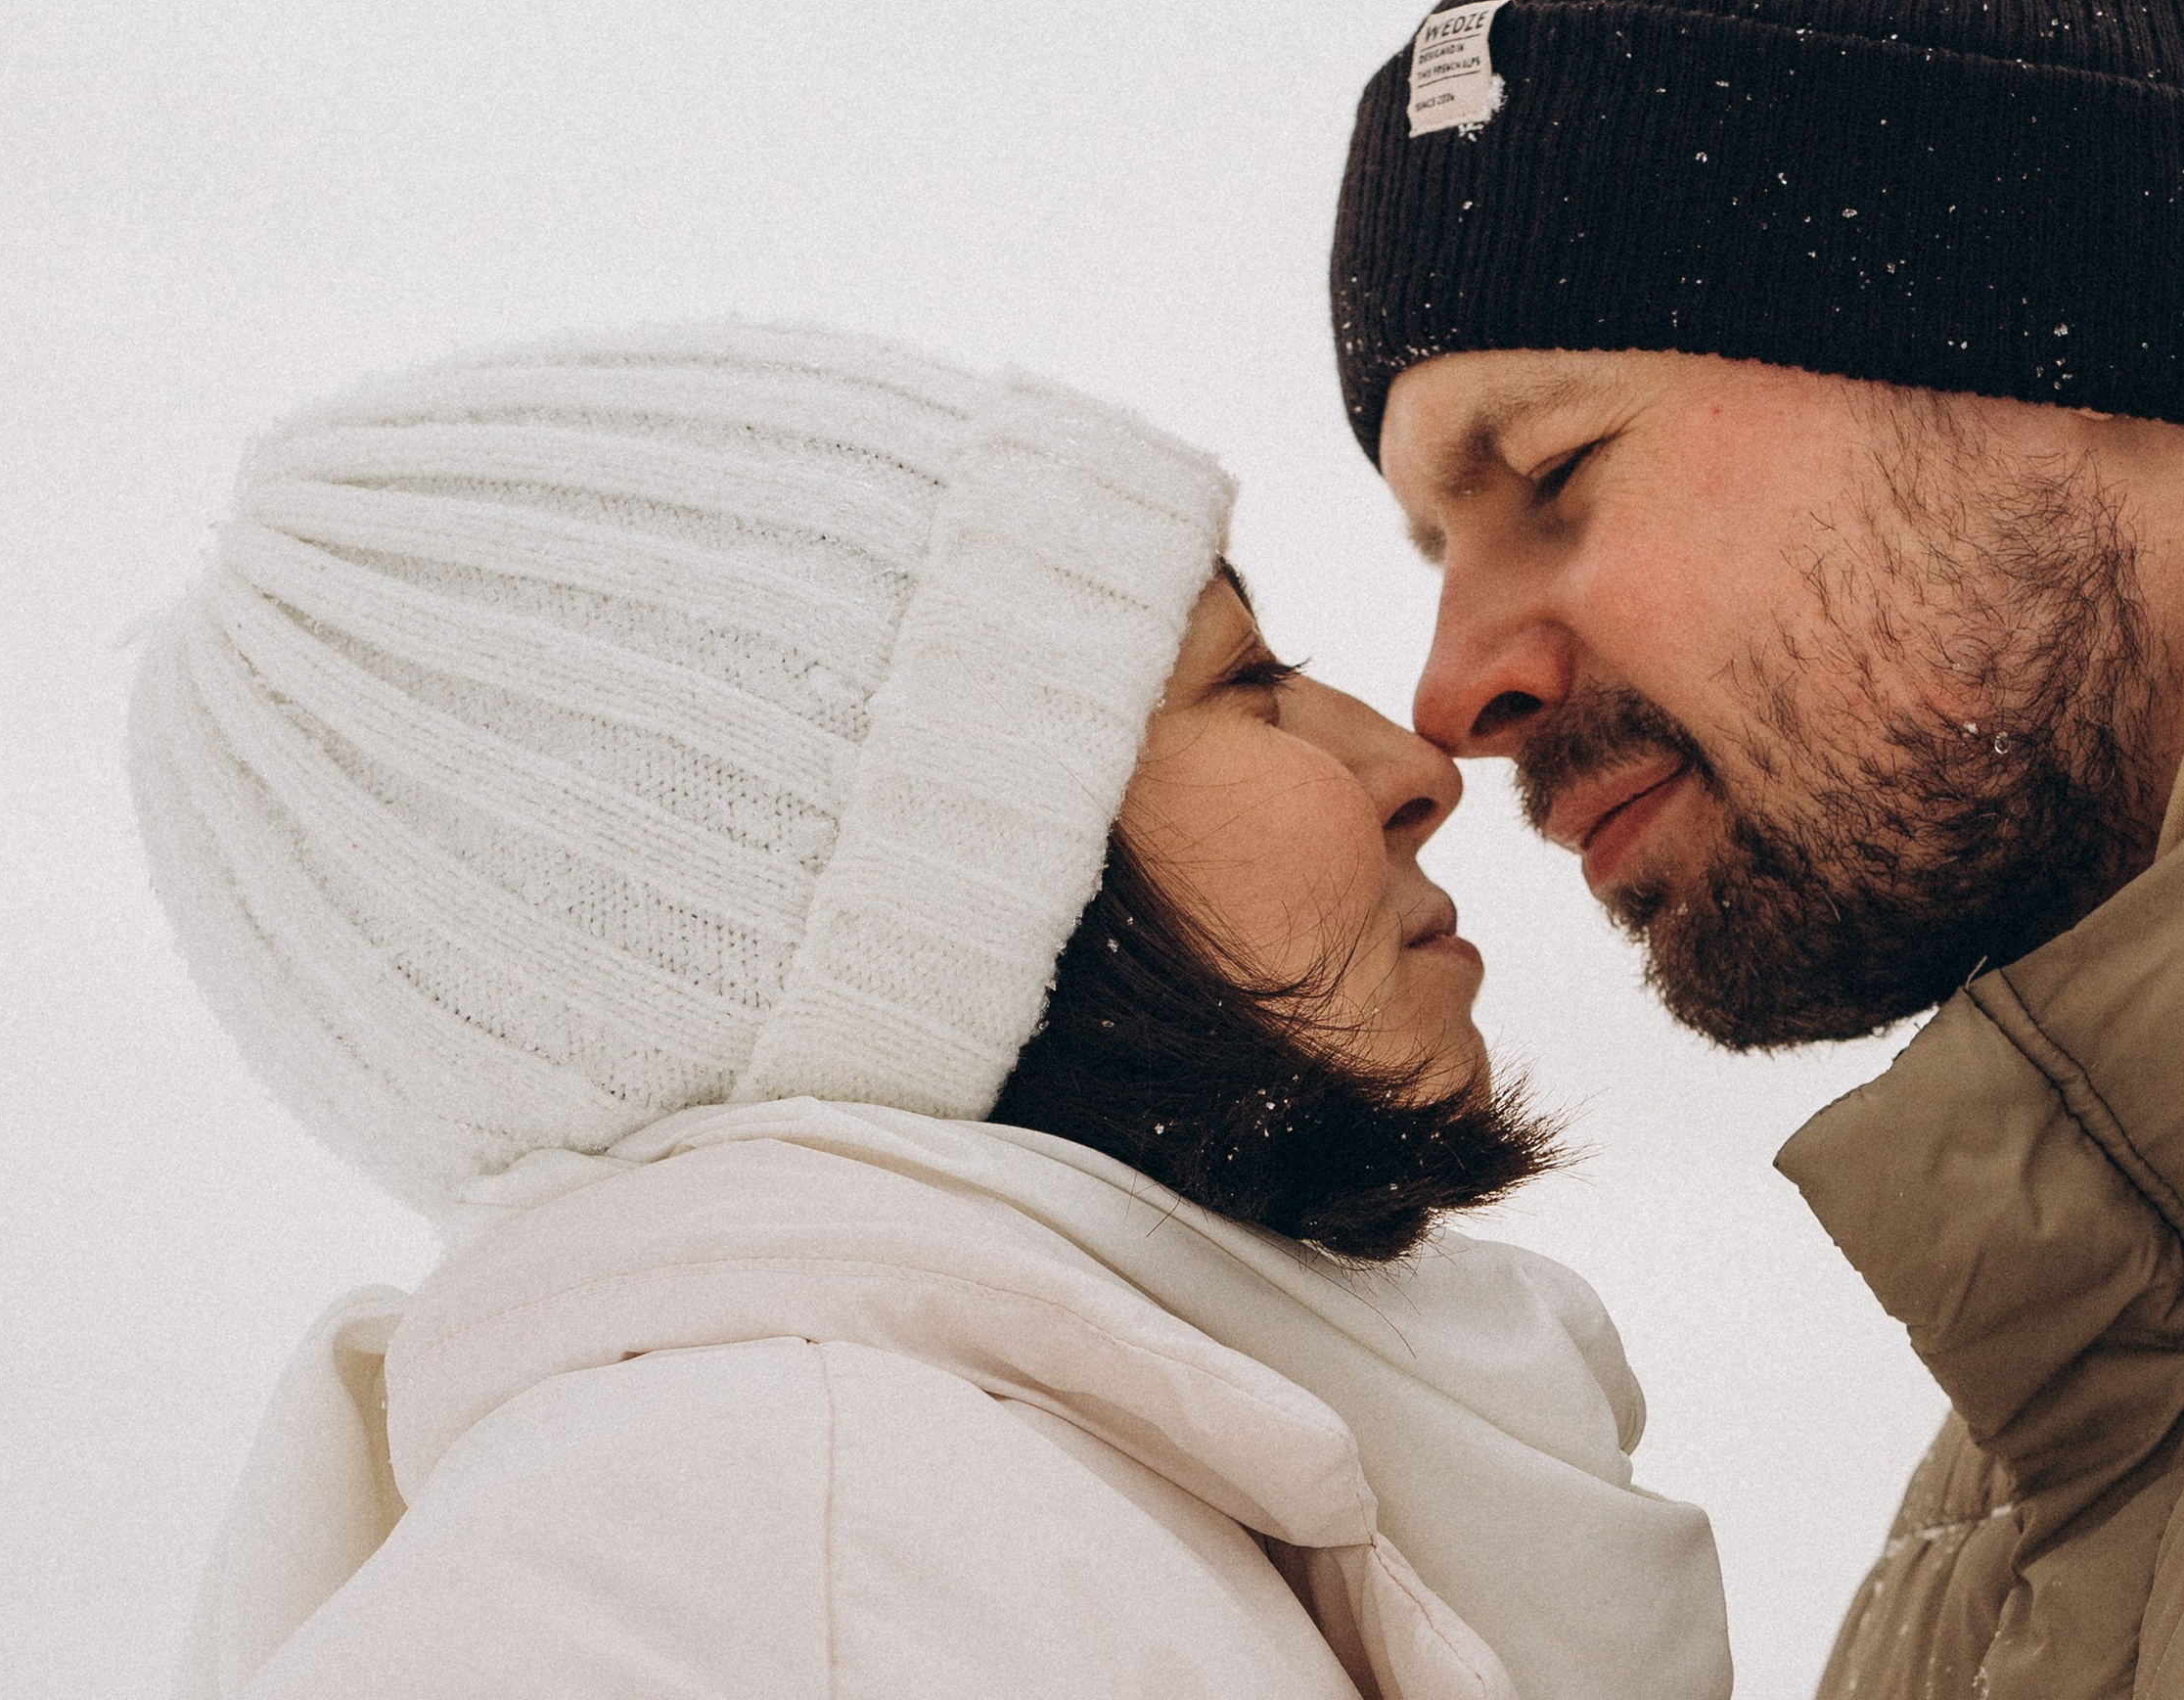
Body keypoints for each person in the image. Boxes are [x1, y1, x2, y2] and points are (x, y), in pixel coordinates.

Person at [1330, 0, 2184, 1700]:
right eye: (1426, 544)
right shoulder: (2074, 1423)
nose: (1449, 698)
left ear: (2051, 342)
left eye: (1546, 467)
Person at [130, 321, 1730, 1699]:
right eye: (1242, 685)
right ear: (942, 920)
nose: (1415, 767)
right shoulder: (813, 1573)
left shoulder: (922, 1533)